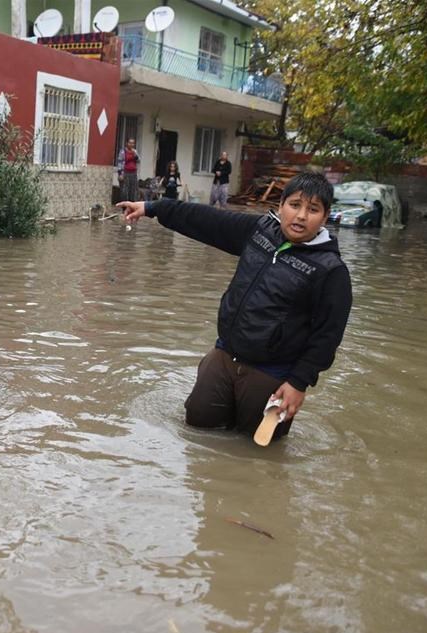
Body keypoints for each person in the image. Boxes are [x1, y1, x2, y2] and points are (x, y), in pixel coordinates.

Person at [117, 171, 353, 443]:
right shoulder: (260, 232)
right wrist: (152, 208)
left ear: (325, 217)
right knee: (196, 426)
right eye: (295, 205)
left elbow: (328, 336)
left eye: (312, 210)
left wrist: (298, 383)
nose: (301, 216)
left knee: (260, 449)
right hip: (225, 356)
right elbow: (207, 221)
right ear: (281, 205)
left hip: (272, 374)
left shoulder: (330, 271)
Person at [116, 138, 140, 203]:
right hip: (125, 173)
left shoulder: (135, 151)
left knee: (132, 191)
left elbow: (138, 161)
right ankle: (124, 208)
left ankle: (131, 206)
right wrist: (120, 174)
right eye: (130, 143)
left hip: (133, 173)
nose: (131, 144)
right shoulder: (123, 151)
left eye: (133, 143)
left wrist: (135, 155)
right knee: (124, 191)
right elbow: (120, 162)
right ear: (127, 143)